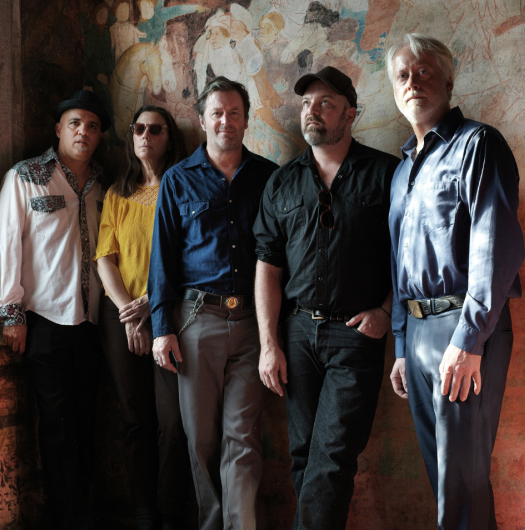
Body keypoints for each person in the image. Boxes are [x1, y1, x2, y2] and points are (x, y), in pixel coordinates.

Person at [386, 34, 524, 530]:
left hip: (466, 328)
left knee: (462, 479)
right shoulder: (402, 170)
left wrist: (469, 339)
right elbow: (399, 264)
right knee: (442, 475)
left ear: (448, 80)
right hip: (419, 333)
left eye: (424, 72)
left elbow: (495, 245)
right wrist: (402, 345)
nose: (413, 82)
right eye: (403, 75)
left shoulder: (477, 144)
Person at [254, 66, 399, 529]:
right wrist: (269, 343)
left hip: (356, 335)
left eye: (325, 103)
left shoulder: (386, 174)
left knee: (332, 456)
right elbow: (268, 269)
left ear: (350, 114)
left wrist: (385, 312)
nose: (312, 111)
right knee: (304, 456)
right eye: (306, 104)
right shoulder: (281, 183)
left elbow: (410, 256)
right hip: (296, 334)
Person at [148, 77, 278, 530]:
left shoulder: (269, 176)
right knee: (200, 440)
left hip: (251, 325)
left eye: (235, 112)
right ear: (203, 121)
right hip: (195, 320)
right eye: (217, 113)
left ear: (246, 119)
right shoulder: (178, 180)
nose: (226, 120)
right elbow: (162, 257)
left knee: (242, 439)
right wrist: (162, 327)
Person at [0, 90, 110, 530]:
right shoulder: (25, 177)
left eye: (93, 126)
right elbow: (5, 244)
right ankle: (67, 518)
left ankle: (83, 511)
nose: (84, 131)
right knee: (58, 427)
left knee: (85, 422)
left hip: (91, 324)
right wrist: (11, 313)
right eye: (75, 122)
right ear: (58, 128)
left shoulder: (103, 183)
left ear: (99, 137)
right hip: (43, 322)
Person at [94, 105, 189, 530]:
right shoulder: (117, 194)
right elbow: (104, 258)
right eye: (138, 128)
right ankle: (144, 511)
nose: (145, 135)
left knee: (172, 421)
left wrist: (153, 302)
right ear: (131, 136)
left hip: (171, 312)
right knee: (135, 418)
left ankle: (171, 510)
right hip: (123, 317)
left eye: (155, 129)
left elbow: (188, 255)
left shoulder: (183, 185)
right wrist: (127, 313)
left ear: (169, 138)